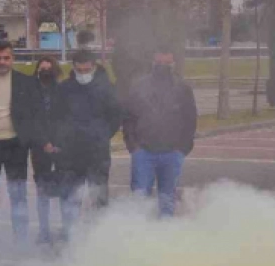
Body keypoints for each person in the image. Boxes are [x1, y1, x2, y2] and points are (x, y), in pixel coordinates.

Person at [0, 40, 42, 249]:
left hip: (16, 146)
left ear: (13, 59)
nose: (2, 62)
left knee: (18, 194)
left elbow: (35, 113)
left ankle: (21, 239)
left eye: (6, 58)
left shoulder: (26, 82)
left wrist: (28, 139)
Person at [52, 50, 123, 234]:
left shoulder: (107, 88)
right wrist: (63, 139)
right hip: (70, 156)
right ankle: (70, 238)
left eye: (86, 69)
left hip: (97, 154)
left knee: (98, 198)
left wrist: (102, 134)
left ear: (93, 66)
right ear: (73, 67)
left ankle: (99, 238)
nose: (83, 74)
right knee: (70, 198)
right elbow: (54, 117)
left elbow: (115, 116)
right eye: (79, 70)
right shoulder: (64, 89)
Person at [123, 47, 198, 217]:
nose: (163, 66)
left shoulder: (183, 89)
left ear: (174, 63)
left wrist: (182, 148)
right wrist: (133, 145)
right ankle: (140, 234)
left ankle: (165, 236)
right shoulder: (139, 86)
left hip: (172, 152)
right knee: (140, 199)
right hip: (143, 152)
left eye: (167, 63)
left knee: (167, 199)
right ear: (152, 62)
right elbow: (128, 118)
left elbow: (190, 120)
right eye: (159, 63)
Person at [29, 56, 62, 244]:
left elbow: (66, 118)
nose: (45, 71)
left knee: (64, 188)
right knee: (42, 190)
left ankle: (65, 227)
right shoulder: (31, 92)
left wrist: (58, 142)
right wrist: (44, 142)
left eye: (49, 68)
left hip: (60, 147)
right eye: (42, 68)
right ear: (37, 71)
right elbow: (31, 120)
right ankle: (43, 230)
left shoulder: (62, 90)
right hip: (40, 148)